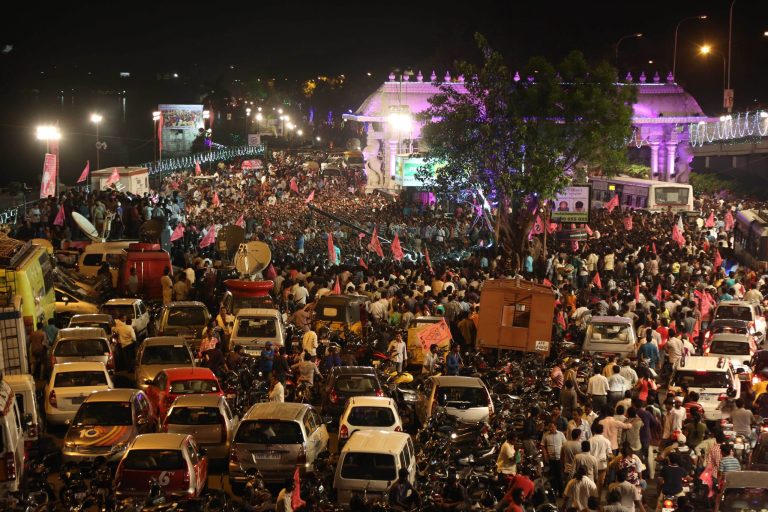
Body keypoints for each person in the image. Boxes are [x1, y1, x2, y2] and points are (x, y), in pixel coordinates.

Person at [541, 422, 566, 497]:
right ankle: (554, 492)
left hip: (559, 459)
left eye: (552, 427)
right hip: (550, 459)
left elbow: (564, 445)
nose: (551, 428)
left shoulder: (561, 434)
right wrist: (545, 456)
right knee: (552, 476)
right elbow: (543, 446)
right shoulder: (545, 435)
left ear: (556, 426)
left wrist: (564, 457)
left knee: (560, 476)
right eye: (549, 427)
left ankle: (561, 492)